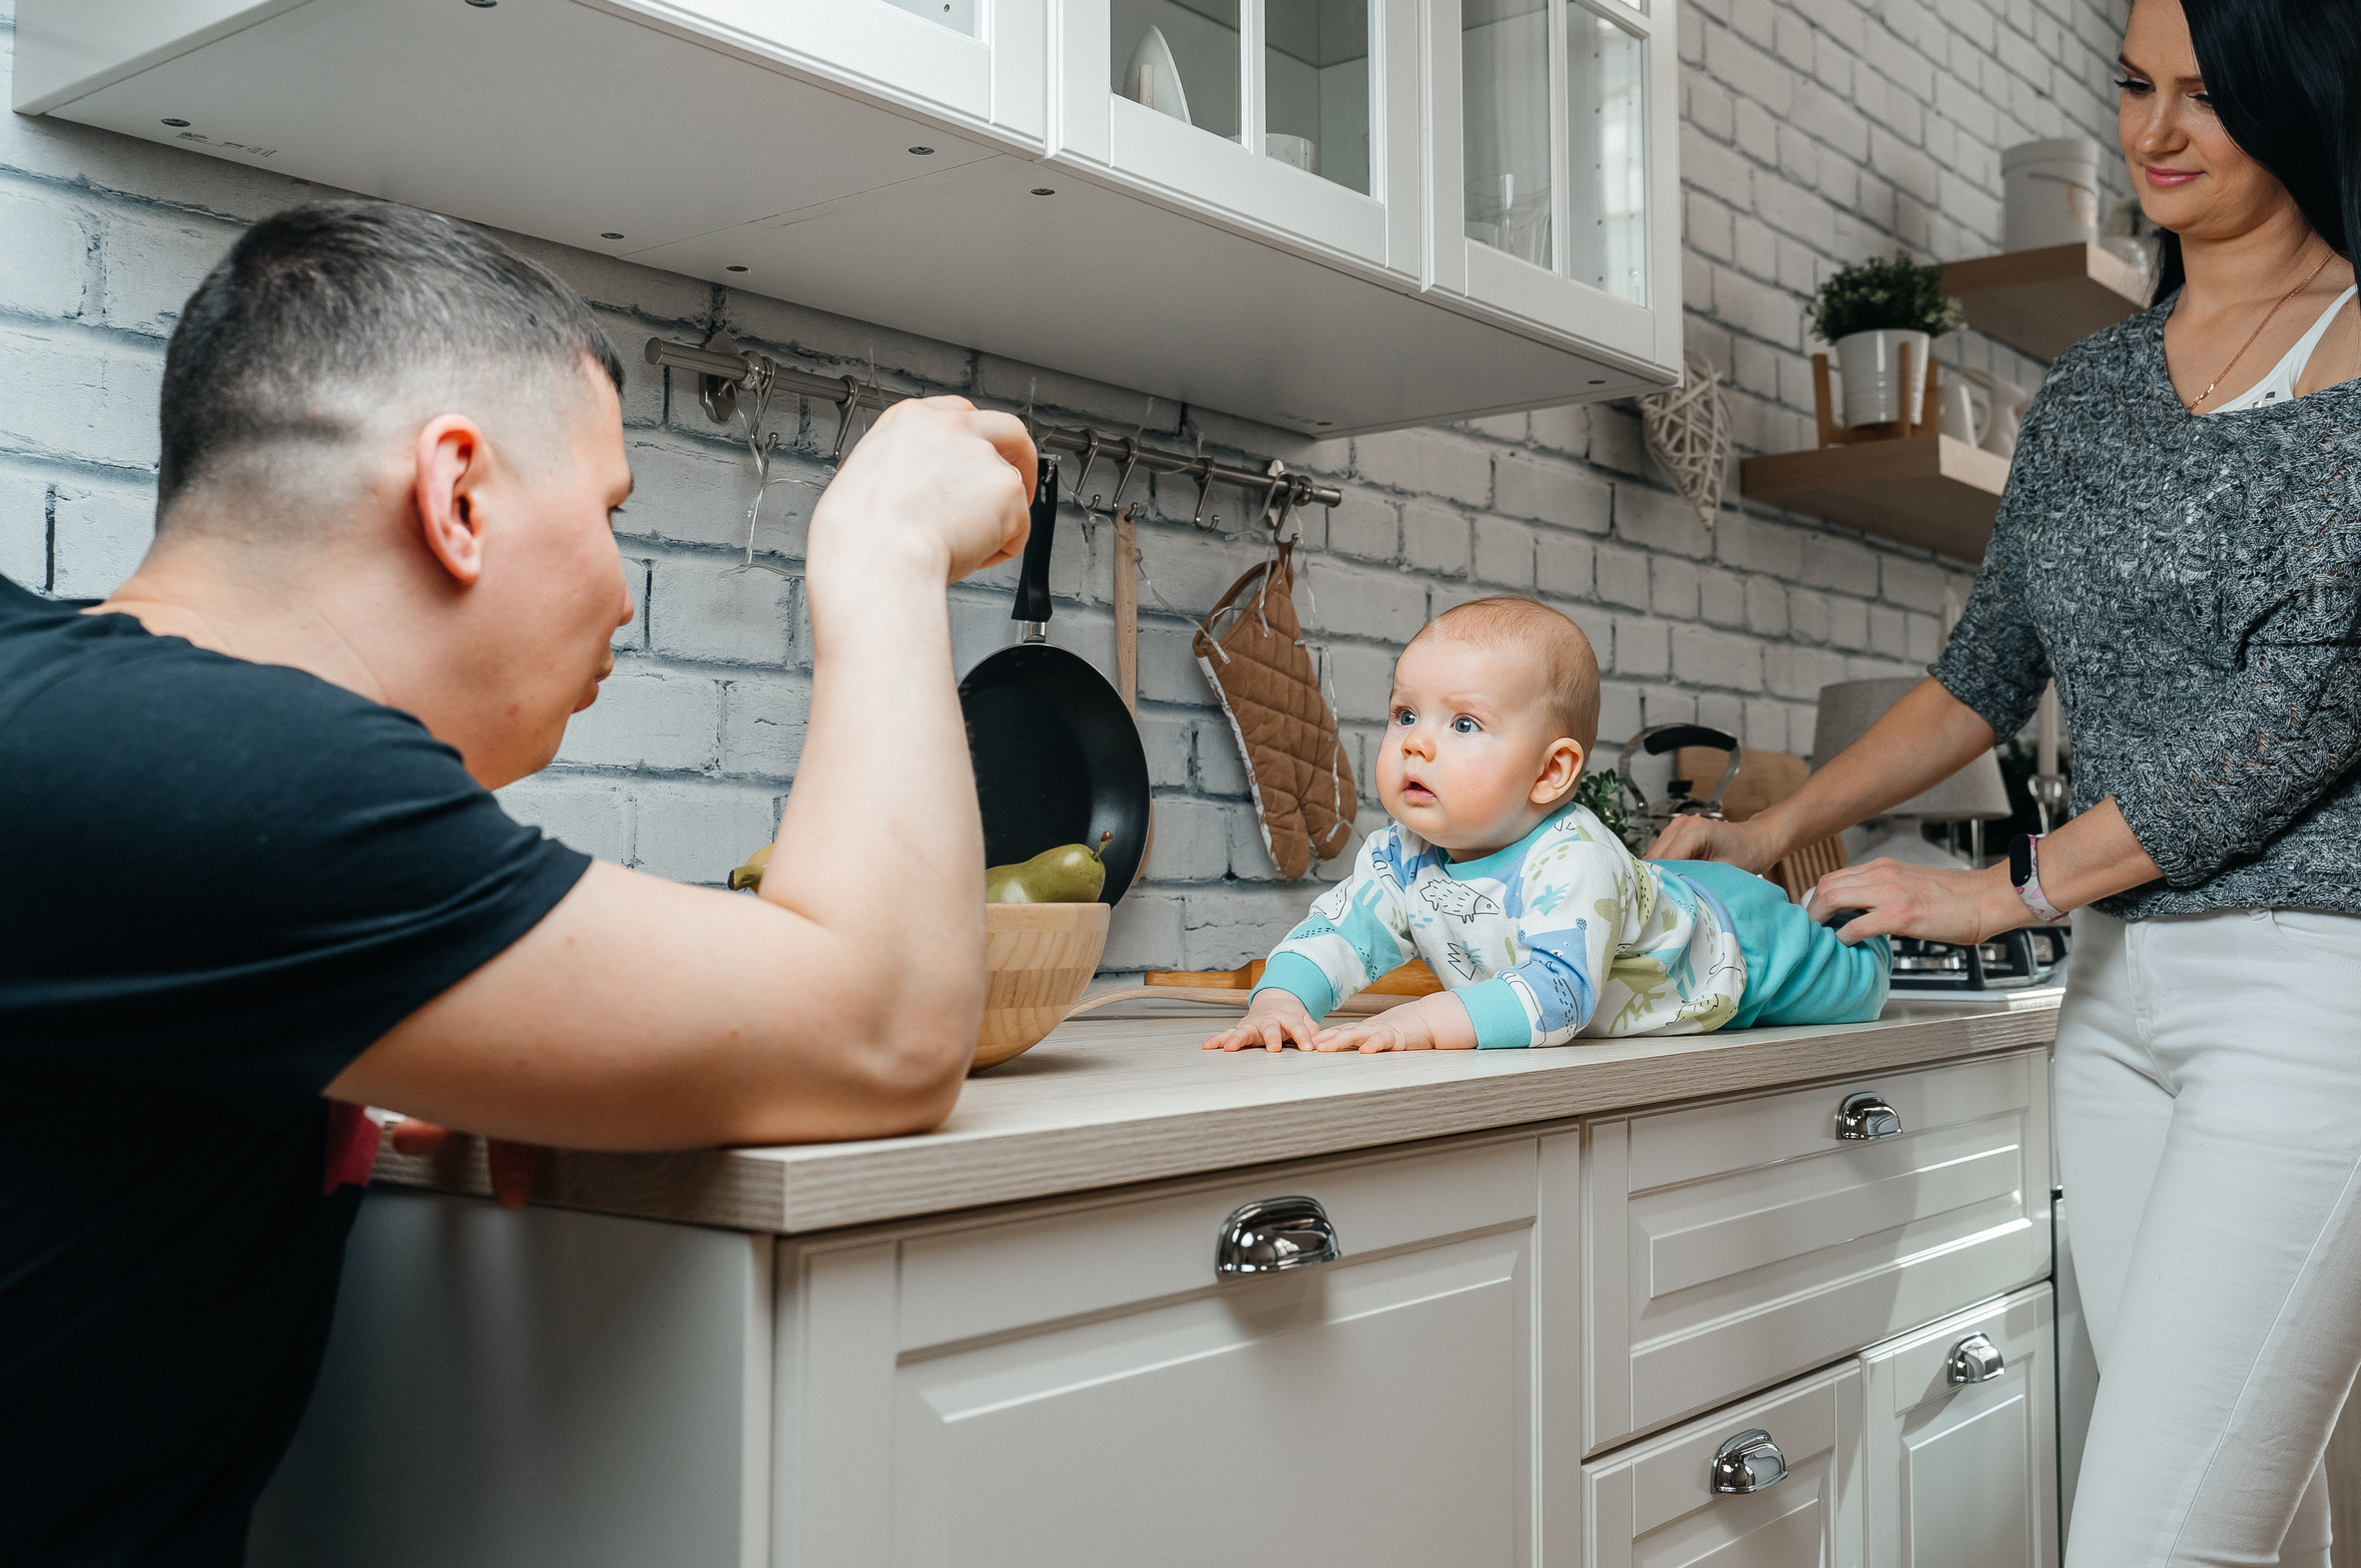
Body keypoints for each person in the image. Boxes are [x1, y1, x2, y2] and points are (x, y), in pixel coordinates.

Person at [1649, 0, 2361, 1567]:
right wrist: (1776, 826)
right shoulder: (2094, 393)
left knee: (2149, 1540)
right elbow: (1978, 671)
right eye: (2135, 84)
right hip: (2127, 997)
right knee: (2238, 1520)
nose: (2156, 127)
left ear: (2310, 84)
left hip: (2334, 985)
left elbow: (2315, 707)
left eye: (2204, 90)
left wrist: (2014, 886)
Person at [0, 201, 1035, 1565]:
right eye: (609, 510)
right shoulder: (235, 774)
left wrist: (446, 1027)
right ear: (461, 496)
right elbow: (890, 1016)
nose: (624, 593)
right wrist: (885, 549)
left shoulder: (97, 737)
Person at [1204, 596, 1886, 1053]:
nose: (1415, 742)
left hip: (1733, 947)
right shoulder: (1402, 855)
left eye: (1463, 723)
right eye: (1405, 713)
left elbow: (1560, 996)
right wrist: (1278, 1002)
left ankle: (1838, 909)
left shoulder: (1574, 855)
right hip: (1649, 892)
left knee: (1859, 988)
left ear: (1551, 772)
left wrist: (1420, 1022)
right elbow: (1339, 933)